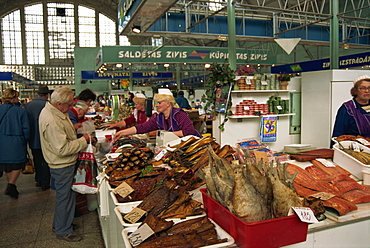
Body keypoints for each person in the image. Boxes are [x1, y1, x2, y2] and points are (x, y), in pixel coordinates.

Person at [39, 87, 90, 242]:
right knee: (65, 197)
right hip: (62, 164)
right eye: (68, 104)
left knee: (65, 196)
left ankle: (60, 224)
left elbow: (59, 136)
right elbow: (62, 149)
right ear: (59, 103)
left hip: (60, 162)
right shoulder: (52, 120)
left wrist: (72, 128)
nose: (70, 107)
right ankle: (63, 231)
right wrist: (84, 140)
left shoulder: (55, 112)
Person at [114, 88, 201, 141]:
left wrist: (167, 135)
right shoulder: (159, 117)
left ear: (168, 103)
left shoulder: (179, 114)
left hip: (193, 146)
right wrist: (122, 132)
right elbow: (143, 127)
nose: (157, 105)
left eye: (159, 103)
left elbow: (189, 131)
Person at [0, 88, 30, 199]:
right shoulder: (20, 111)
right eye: (16, 97)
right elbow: (25, 128)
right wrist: (27, 139)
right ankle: (11, 184)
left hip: (2, 141)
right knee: (18, 164)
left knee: (7, 165)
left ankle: (11, 186)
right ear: (13, 98)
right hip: (16, 141)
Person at [25, 85, 51, 191]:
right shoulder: (48, 105)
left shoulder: (28, 105)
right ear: (47, 94)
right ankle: (45, 182)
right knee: (46, 160)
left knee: (36, 159)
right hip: (46, 137)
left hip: (33, 137)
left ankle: (38, 180)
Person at [332, 75, 370, 139]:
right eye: (363, 88)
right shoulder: (347, 109)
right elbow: (338, 135)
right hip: (355, 147)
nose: (367, 91)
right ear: (355, 90)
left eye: (369, 88)